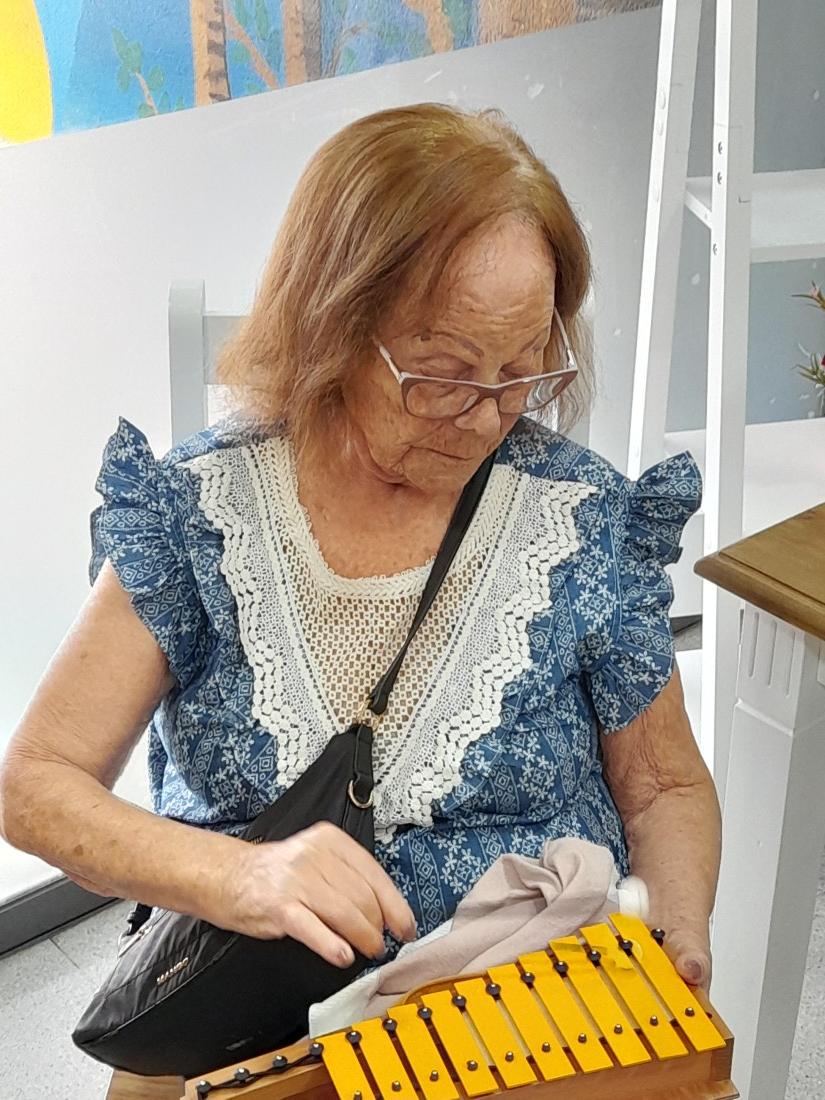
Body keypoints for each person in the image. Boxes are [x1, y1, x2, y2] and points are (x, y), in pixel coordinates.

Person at [0, 102, 719, 994]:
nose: (486, 419)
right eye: (443, 374)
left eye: (520, 371)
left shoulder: (581, 518)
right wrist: (238, 875)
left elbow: (663, 789)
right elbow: (36, 784)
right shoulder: (200, 515)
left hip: (533, 999)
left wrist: (677, 944)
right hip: (256, 1004)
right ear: (333, 326)